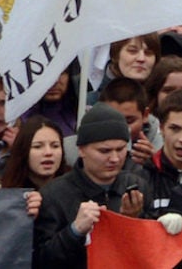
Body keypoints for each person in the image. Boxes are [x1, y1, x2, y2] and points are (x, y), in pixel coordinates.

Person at [34, 103, 151, 269]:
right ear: (82, 150)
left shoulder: (137, 185)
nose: (115, 158)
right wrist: (74, 231)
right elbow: (42, 260)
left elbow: (150, 251)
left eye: (121, 149)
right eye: (104, 151)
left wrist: (133, 221)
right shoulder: (54, 195)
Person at [0, 118, 68, 218]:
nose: (48, 152)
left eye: (55, 146)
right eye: (37, 146)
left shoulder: (75, 187)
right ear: (24, 151)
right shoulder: (8, 195)